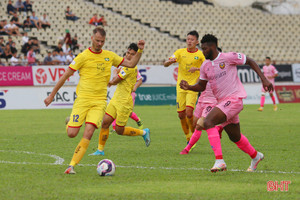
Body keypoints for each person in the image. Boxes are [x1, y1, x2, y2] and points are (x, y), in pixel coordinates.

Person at [44, 27, 145, 174]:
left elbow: (131, 64)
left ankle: (71, 166)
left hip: (99, 102)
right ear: (92, 38)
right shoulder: (83, 57)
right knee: (72, 133)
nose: (99, 43)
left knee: (89, 132)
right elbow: (65, 75)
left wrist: (140, 51)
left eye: (102, 41)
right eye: (97, 40)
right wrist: (52, 95)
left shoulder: (109, 56)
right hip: (83, 100)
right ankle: (70, 122)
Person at [180, 34, 272, 172]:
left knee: (208, 121)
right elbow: (202, 86)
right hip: (223, 103)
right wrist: (189, 87)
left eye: (205, 49)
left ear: (212, 47)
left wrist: (264, 79)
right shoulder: (205, 65)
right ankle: (256, 156)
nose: (203, 52)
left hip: (234, 99)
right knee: (235, 137)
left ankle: (219, 160)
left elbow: (250, 61)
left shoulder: (228, 58)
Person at [90, 43, 150, 156]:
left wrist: (107, 81)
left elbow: (116, 80)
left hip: (124, 102)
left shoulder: (131, 68)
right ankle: (100, 150)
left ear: (136, 56)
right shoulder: (124, 66)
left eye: (132, 54)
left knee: (119, 130)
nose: (128, 56)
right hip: (116, 99)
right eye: (128, 53)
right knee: (105, 123)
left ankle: (143, 132)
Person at [163, 30, 205, 144]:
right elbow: (166, 64)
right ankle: (188, 136)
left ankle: (193, 136)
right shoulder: (180, 52)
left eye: (192, 40)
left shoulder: (200, 55)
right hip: (181, 87)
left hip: (192, 87)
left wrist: (196, 69)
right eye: (188, 39)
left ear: (197, 42)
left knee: (189, 113)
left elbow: (208, 68)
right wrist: (169, 62)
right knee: (181, 115)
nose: (189, 41)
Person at [111, 67, 144, 131]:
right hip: (121, 94)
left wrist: (135, 87)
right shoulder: (121, 69)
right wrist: (114, 72)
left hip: (130, 94)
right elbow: (115, 79)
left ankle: (138, 120)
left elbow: (140, 80)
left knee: (128, 113)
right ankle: (114, 127)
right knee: (116, 109)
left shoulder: (133, 69)